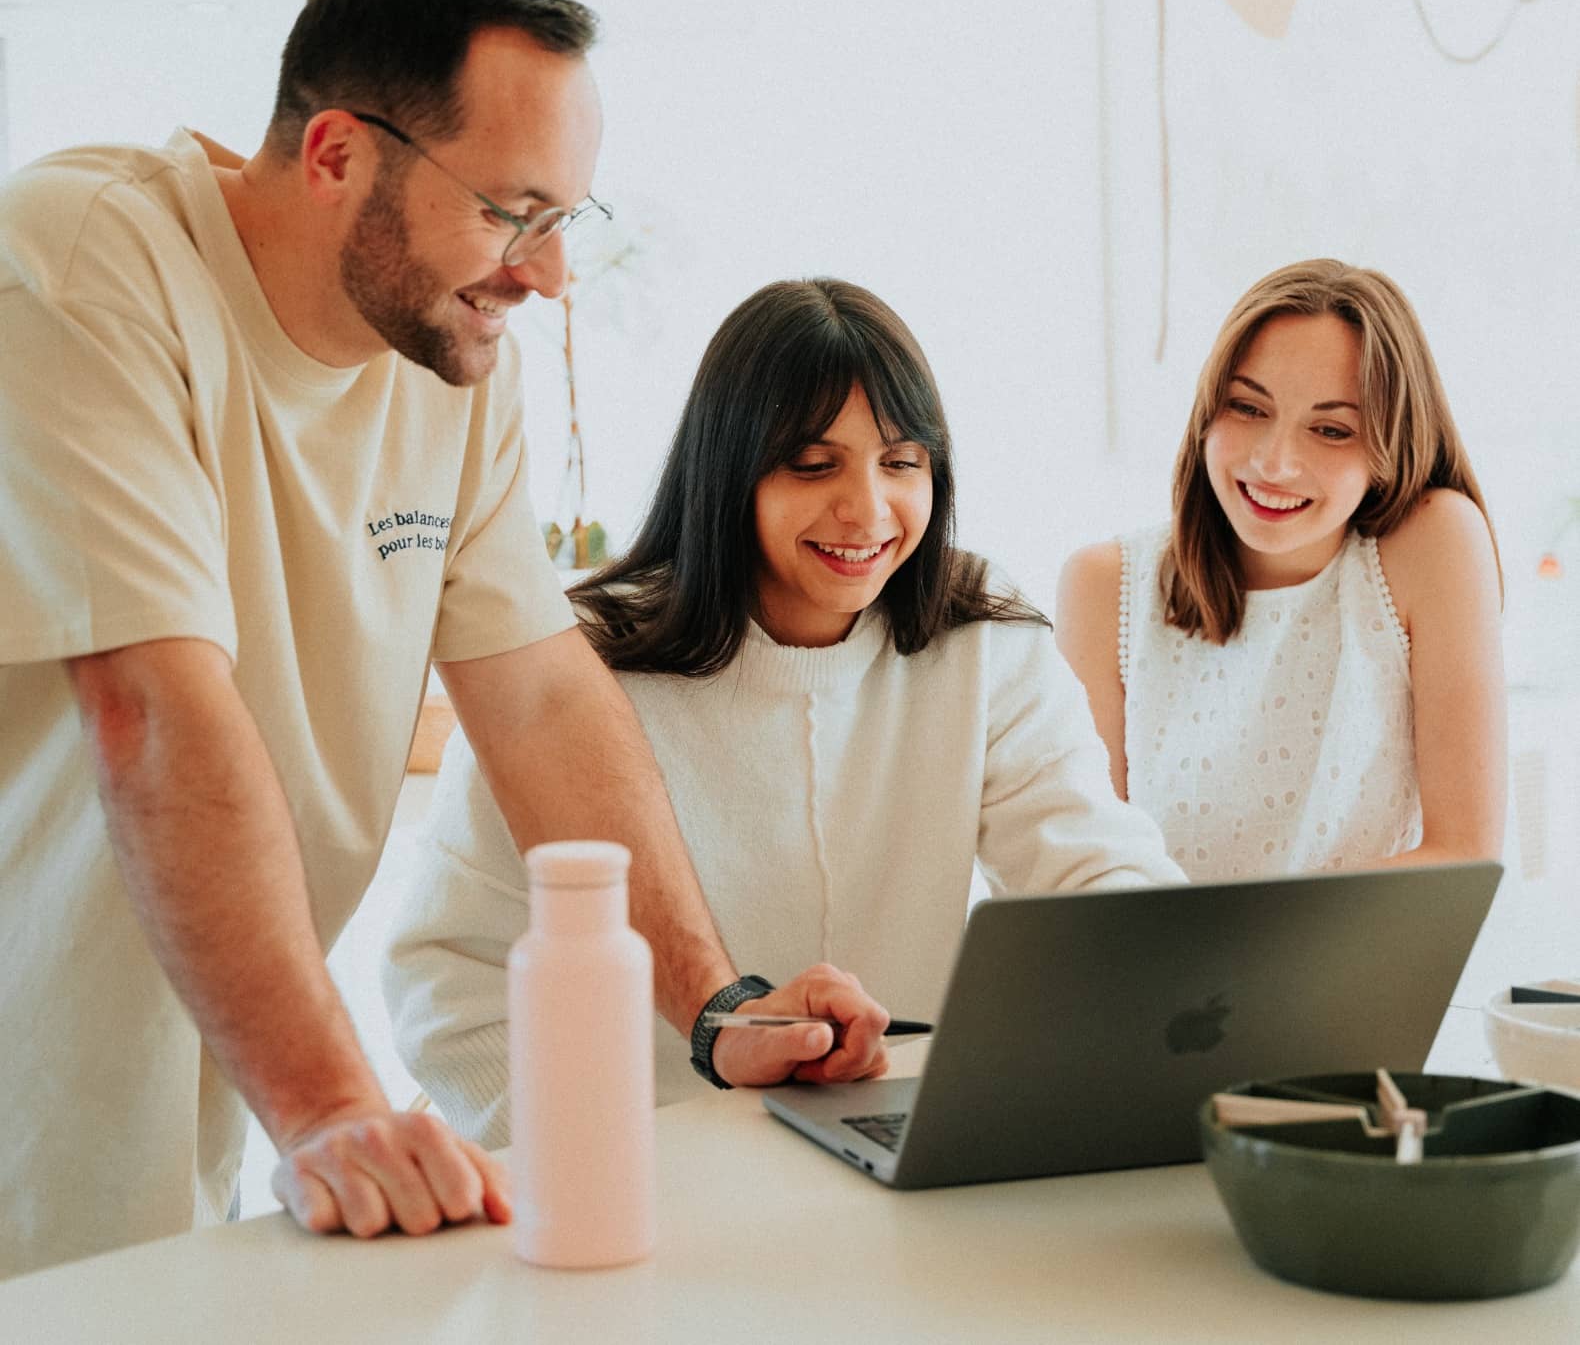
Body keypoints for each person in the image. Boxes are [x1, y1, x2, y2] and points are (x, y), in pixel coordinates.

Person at [0, 0, 888, 1280]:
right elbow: (151, 709)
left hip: (194, 1075)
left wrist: (716, 1004)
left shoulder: (451, 360)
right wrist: (337, 1107)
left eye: (564, 221)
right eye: (509, 211)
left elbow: (537, 699)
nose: (545, 274)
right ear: (338, 154)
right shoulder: (82, 269)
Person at [382, 278, 1185, 1140]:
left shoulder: (979, 633)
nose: (868, 509)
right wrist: (619, 1155)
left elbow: (1091, 868)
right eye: (813, 464)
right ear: (729, 473)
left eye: (901, 461)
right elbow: (451, 981)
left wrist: (1179, 971)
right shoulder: (574, 659)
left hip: (891, 1149)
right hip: (645, 1168)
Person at [1056, 259, 1505, 881]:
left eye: (1330, 429)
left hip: (1361, 973)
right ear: (1207, 412)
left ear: (1388, 445)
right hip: (1158, 974)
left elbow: (1465, 855)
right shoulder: (1106, 585)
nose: (1275, 463)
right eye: (1247, 408)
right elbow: (1088, 873)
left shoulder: (1431, 543)